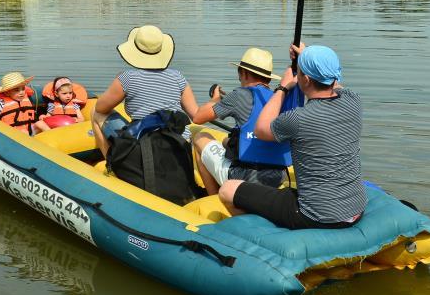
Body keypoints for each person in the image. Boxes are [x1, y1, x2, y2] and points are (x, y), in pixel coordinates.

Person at [218, 43, 367, 230]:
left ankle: (260, 235)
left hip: (315, 214)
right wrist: (306, 56)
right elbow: (332, 81)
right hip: (355, 209)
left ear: (304, 79)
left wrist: (282, 87)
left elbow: (261, 129)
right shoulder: (353, 100)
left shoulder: (297, 118)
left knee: (227, 189)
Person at [192, 47, 291, 195]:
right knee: (226, 141)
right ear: (269, 79)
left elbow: (198, 118)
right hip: (277, 177)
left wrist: (215, 99)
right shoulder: (279, 99)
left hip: (243, 177)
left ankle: (213, 198)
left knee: (200, 137)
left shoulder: (239, 95)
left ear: (243, 73)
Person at [91, 25, 198, 158]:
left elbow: (101, 108)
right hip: (180, 141)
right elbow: (196, 115)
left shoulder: (127, 77)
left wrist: (118, 83)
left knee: (95, 112)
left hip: (144, 144)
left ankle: (112, 162)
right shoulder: (178, 76)